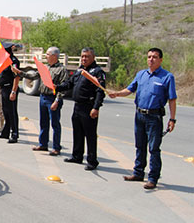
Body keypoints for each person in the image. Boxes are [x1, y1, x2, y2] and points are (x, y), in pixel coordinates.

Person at [109, 48, 177, 189]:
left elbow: (172, 99)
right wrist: (117, 93)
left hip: (154, 117)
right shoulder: (141, 74)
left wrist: (172, 119)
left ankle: (152, 178)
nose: (151, 59)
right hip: (139, 115)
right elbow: (129, 89)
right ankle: (138, 173)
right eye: (149, 57)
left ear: (161, 60)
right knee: (140, 145)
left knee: (153, 148)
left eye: (155, 57)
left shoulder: (167, 77)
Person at [55, 47, 105, 170]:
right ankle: (77, 156)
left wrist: (96, 107)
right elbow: (69, 84)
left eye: (87, 56)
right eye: (82, 56)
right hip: (77, 106)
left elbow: (100, 91)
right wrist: (57, 87)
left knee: (90, 135)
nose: (84, 58)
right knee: (77, 132)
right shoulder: (80, 70)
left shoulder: (97, 72)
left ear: (93, 57)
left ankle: (92, 161)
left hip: (89, 107)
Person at [12, 47, 68, 155]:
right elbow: (33, 76)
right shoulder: (45, 67)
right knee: (43, 122)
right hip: (43, 97)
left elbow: (63, 86)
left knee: (55, 124)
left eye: (47, 54)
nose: (46, 56)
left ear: (54, 56)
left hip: (53, 98)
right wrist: (20, 73)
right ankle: (43, 144)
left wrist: (57, 100)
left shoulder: (61, 69)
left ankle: (56, 147)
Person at [0, 42, 21, 143]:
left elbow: (16, 77)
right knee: (5, 111)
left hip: (10, 88)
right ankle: (5, 132)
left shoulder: (13, 61)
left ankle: (14, 134)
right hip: (4, 89)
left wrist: (14, 91)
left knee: (12, 112)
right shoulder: (3, 60)